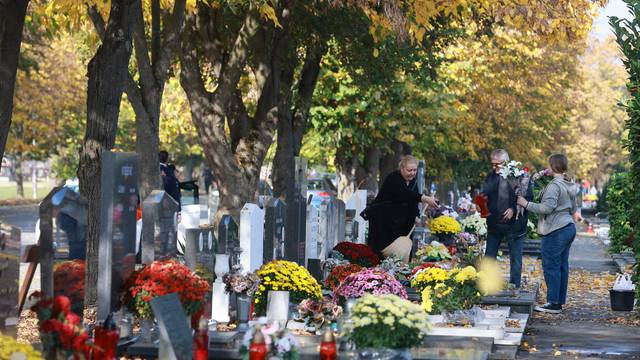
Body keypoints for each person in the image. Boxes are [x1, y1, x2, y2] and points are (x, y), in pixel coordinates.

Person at [517, 154, 579, 314]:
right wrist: (539, 176)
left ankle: (553, 303)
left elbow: (546, 208)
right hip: (568, 227)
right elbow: (573, 209)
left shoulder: (554, 186)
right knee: (562, 266)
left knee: (551, 265)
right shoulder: (569, 183)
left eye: (548, 166)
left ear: (553, 166)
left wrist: (526, 204)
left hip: (556, 229)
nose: (547, 168)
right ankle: (558, 302)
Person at [363, 155, 438, 259]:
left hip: (402, 223)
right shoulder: (393, 178)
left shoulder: (412, 181)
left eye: (414, 170)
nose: (412, 173)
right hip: (384, 222)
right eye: (409, 170)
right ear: (402, 168)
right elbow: (405, 193)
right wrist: (424, 198)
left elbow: (412, 200)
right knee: (383, 254)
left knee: (402, 254)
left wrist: (416, 215)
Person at [481, 149, 517, 264]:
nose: (494, 167)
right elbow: (484, 195)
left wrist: (513, 208)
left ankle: (514, 282)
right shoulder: (490, 177)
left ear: (506, 162)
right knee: (489, 259)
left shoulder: (515, 176)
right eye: (492, 164)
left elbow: (523, 197)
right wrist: (480, 204)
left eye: (497, 164)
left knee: (515, 261)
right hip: (494, 223)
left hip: (512, 224)